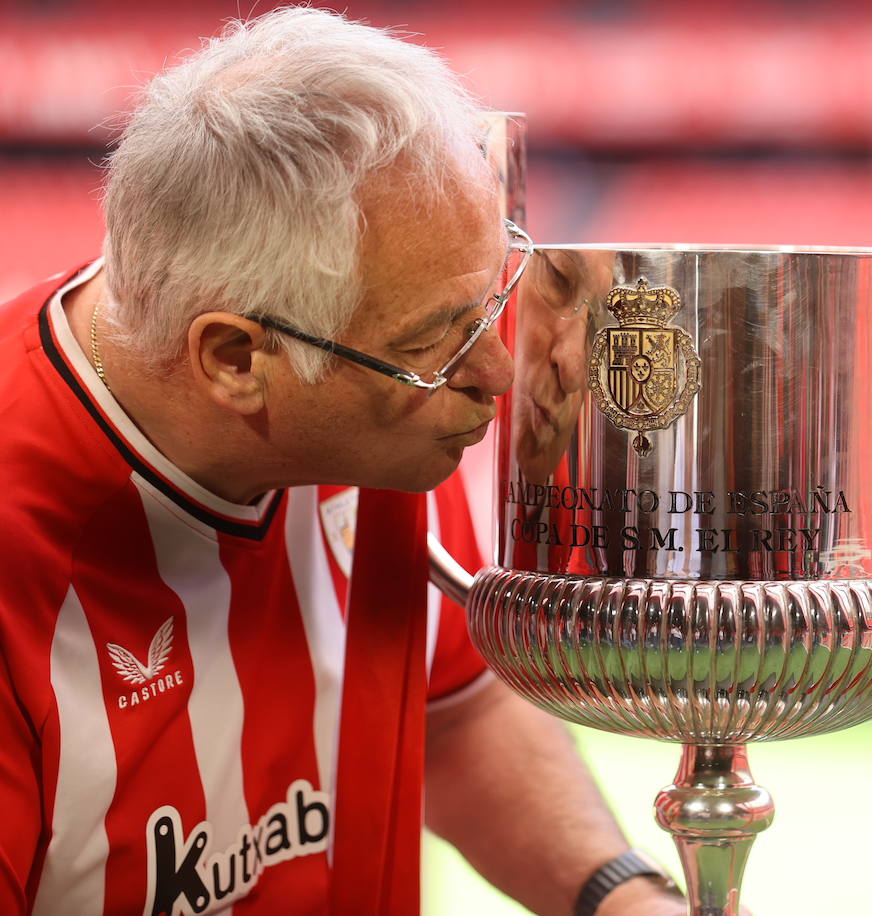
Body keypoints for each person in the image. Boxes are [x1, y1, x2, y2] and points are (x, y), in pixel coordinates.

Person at [0, 9, 688, 915]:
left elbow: (451, 708)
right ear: (237, 360)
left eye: (490, 302)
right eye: (440, 339)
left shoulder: (380, 428)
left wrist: (622, 898)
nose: (496, 373)